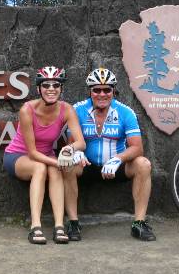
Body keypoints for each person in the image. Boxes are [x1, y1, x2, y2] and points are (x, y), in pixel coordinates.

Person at [63, 67, 156, 241]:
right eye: (96, 90)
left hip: (116, 167)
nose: (102, 94)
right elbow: (71, 143)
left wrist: (117, 159)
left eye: (107, 90)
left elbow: (137, 148)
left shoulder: (125, 112)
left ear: (114, 91)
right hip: (87, 165)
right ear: (90, 91)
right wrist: (76, 153)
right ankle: (73, 223)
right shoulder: (78, 110)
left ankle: (139, 223)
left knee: (144, 164)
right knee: (67, 165)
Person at [3, 66, 86, 244]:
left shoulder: (67, 109)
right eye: (46, 85)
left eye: (56, 85)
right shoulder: (27, 109)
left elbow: (81, 142)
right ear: (39, 89)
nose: (51, 89)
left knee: (55, 170)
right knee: (42, 167)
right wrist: (58, 162)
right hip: (19, 156)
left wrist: (69, 149)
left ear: (61, 88)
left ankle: (59, 226)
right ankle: (35, 226)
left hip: (46, 155)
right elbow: (32, 152)